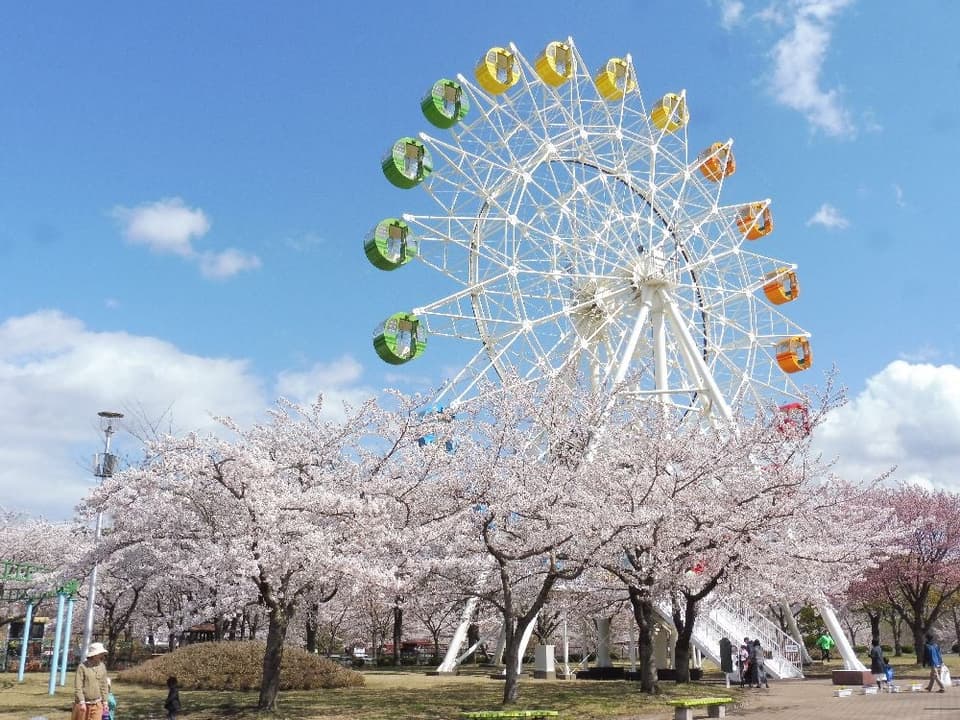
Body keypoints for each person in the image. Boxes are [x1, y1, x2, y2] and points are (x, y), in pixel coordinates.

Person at [73, 642, 110, 720]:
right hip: (83, 704)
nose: (103, 655)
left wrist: (105, 701)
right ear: (94, 655)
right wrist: (81, 702)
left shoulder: (102, 666)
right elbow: (78, 686)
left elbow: (104, 685)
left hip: (97, 704)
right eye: (101, 653)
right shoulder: (82, 667)